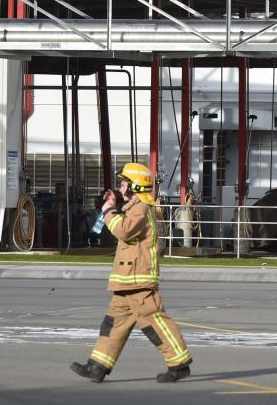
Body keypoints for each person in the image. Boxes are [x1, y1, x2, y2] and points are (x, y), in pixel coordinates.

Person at [71, 163, 193, 383]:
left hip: (138, 281)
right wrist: (112, 206)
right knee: (113, 325)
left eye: (123, 182)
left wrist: (108, 210)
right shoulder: (133, 208)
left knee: (154, 322)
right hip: (127, 282)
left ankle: (179, 364)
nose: (120, 186)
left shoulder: (141, 209)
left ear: (133, 186)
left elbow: (124, 231)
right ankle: (97, 366)